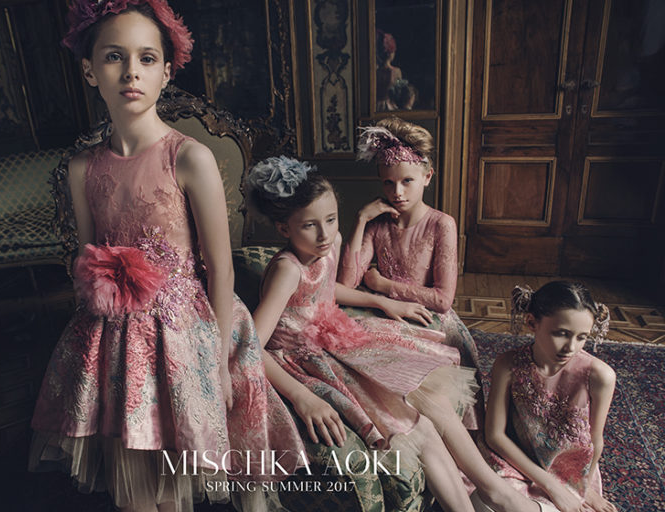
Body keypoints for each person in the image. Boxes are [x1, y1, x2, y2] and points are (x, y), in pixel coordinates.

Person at [28, 2, 304, 511]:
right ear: (90, 70)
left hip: (184, 332)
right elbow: (87, 262)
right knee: (133, 485)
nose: (131, 71)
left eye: (147, 58)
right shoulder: (82, 167)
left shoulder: (190, 157)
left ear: (166, 72)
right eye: (114, 56)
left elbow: (220, 267)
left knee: (171, 484)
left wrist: (217, 361)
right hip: (113, 335)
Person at [247, 156, 544, 512]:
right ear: (284, 229)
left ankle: (495, 492)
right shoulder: (287, 270)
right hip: (300, 358)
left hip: (334, 338)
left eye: (331, 219)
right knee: (414, 424)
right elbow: (251, 346)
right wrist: (300, 397)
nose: (324, 234)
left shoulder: (330, 243)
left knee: (428, 394)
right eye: (310, 226)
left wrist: (383, 301)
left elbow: (324, 291)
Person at [339, 117, 481, 378]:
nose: (397, 192)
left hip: (424, 316)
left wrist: (382, 285)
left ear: (427, 177)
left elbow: (442, 300)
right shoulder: (377, 223)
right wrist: (360, 219)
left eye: (407, 181)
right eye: (388, 182)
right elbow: (346, 283)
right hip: (382, 311)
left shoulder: (441, 224)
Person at [479, 282, 617, 512]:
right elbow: (494, 435)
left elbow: (596, 440)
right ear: (532, 322)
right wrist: (551, 486)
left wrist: (585, 489)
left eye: (582, 337)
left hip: (571, 473)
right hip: (514, 461)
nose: (570, 347)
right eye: (561, 334)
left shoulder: (600, 376)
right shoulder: (508, 364)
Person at [375, 31, 402, 112]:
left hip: (375, 107)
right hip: (389, 106)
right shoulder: (396, 71)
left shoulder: (375, 71)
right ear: (391, 53)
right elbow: (398, 93)